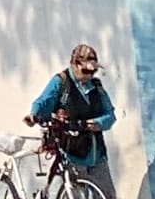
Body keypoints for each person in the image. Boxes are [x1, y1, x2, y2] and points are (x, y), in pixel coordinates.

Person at [29, 43, 117, 180]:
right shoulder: (61, 82)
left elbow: (110, 115)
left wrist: (98, 123)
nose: (90, 75)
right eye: (86, 71)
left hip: (97, 155)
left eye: (93, 72)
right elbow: (42, 102)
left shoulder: (96, 86)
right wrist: (34, 115)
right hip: (72, 155)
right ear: (75, 64)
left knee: (107, 198)